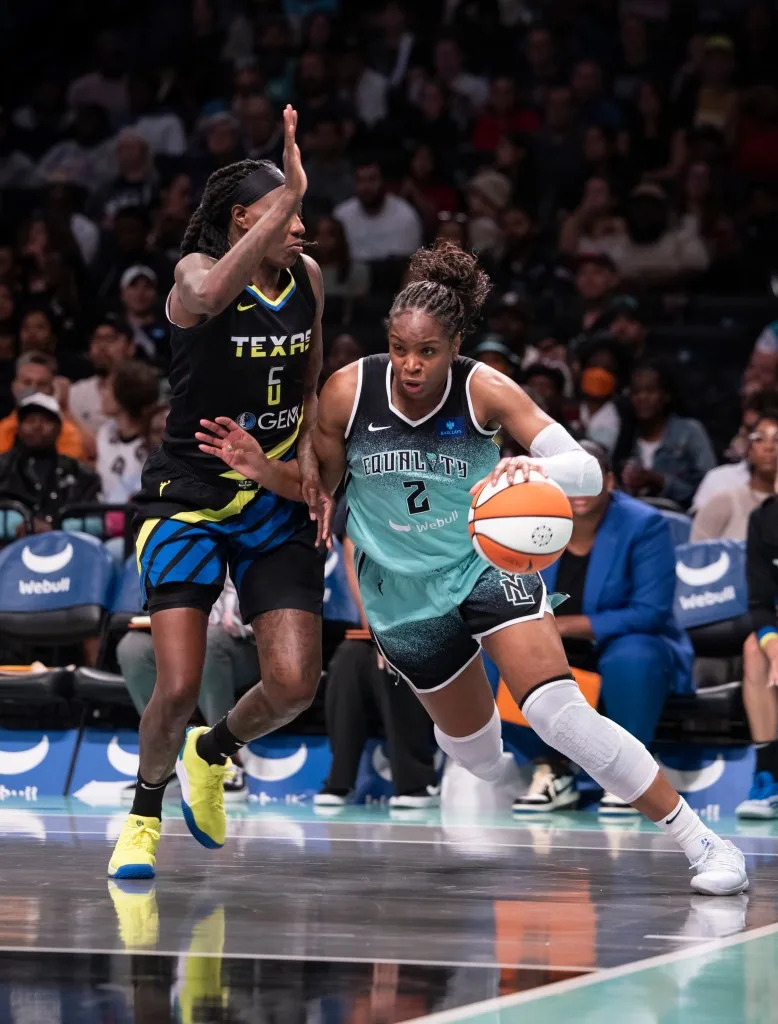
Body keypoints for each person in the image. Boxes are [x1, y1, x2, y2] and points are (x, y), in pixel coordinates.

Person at [199, 240, 747, 896]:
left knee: (558, 713)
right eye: (400, 347)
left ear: (455, 345)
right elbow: (323, 491)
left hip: (486, 563)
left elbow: (587, 470)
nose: (410, 364)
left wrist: (531, 466)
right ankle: (495, 771)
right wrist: (264, 470)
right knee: (473, 750)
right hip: (401, 594)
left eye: (427, 352)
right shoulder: (346, 392)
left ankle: (703, 844)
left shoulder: (485, 388)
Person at [107, 106, 331, 880]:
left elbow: (306, 391)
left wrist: (306, 465)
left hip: (269, 494)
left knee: (297, 684)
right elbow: (202, 303)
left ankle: (216, 750)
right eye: (285, 211)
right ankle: (142, 815)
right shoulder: (194, 274)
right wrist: (267, 221)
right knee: (174, 681)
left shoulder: (308, 278)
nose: (300, 226)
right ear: (243, 219)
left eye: (302, 210)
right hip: (189, 494)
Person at [514, 442, 693, 816]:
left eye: (590, 476)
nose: (579, 488)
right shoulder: (529, 522)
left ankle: (629, 777)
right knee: (498, 651)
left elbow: (651, 612)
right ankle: (550, 769)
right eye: (569, 478)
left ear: (609, 481)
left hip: (624, 642)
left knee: (633, 655)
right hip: (555, 646)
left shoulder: (643, 524)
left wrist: (566, 625)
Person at [117, 574, 255, 803]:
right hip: (191, 637)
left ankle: (224, 758)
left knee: (208, 642)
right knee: (133, 649)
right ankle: (172, 757)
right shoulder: (185, 547)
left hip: (247, 646)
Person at [617, 359, 717, 509]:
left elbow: (711, 486)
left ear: (665, 395)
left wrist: (660, 481)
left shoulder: (689, 432)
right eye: (636, 392)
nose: (642, 398)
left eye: (650, 391)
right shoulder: (625, 435)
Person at [0, 393, 100, 532]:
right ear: (19, 427)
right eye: (30, 420)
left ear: (59, 429)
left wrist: (55, 528)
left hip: (67, 546)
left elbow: (97, 522)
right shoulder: (3, 466)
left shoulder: (80, 472)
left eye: (46, 421)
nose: (37, 426)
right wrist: (19, 526)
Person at [738, 491, 778, 819]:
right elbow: (760, 602)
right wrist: (773, 647)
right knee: (755, 648)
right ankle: (768, 777)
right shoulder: (763, 520)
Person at [692, 412, 778, 542]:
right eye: (759, 439)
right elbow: (696, 556)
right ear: (749, 449)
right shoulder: (723, 501)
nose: (769, 447)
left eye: (777, 440)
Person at [0, 352, 85, 461]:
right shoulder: (1, 431)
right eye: (27, 382)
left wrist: (65, 409)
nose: (34, 389)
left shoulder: (68, 434)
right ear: (14, 387)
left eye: (42, 384)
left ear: (52, 390)